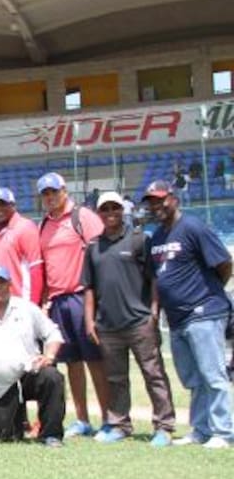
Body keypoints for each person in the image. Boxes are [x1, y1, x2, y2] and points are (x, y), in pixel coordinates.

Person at [142, 180, 233, 448]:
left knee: (212, 375)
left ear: (174, 199)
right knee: (193, 378)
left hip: (204, 312)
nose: (156, 206)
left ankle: (223, 431)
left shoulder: (193, 227)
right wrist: (156, 310)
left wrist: (207, 293)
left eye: (161, 199)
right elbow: (158, 279)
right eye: (152, 202)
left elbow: (224, 264)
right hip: (177, 318)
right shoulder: (156, 237)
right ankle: (201, 429)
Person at [80, 191, 175, 446]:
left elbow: (154, 279)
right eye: (105, 209)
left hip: (139, 322)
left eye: (115, 208)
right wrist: (89, 321)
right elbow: (88, 287)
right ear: (98, 213)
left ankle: (164, 427)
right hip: (108, 325)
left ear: (123, 211)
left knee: (153, 374)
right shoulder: (92, 246)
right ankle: (120, 424)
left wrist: (154, 311)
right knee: (115, 378)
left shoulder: (139, 240)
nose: (110, 213)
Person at [0, 265, 67, 447]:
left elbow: (53, 333)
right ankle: (12, 422)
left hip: (29, 373)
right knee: (6, 437)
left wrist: (49, 355)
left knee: (52, 377)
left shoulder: (26, 308)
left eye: (1, 283)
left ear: (10, 284)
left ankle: (51, 435)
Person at [36, 172, 108, 438]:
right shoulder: (43, 225)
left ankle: (109, 419)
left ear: (64, 191)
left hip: (82, 297)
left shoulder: (83, 217)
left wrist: (98, 297)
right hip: (57, 301)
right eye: (45, 194)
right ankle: (83, 419)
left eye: (54, 192)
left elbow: (100, 254)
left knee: (95, 360)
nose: (50, 197)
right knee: (72, 363)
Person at [0, 187, 43, 304]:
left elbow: (36, 269)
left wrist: (34, 305)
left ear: (13, 205)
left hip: (21, 302)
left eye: (3, 204)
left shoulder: (26, 227)